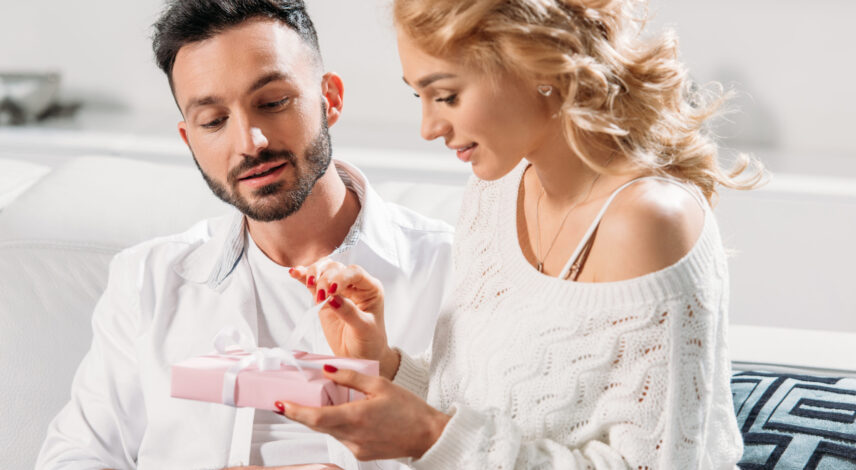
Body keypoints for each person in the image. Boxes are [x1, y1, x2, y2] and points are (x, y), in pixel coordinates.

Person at [276, 0, 765, 468]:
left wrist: (428, 436)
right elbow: (491, 403)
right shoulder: (498, 189)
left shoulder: (647, 223)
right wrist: (386, 367)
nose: (427, 127)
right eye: (418, 95)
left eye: (446, 95)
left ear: (539, 66)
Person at [35, 1, 453, 469]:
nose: (249, 141)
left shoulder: (453, 269)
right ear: (188, 137)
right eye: (213, 121)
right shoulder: (145, 280)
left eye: (273, 103)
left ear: (329, 98)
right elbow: (73, 458)